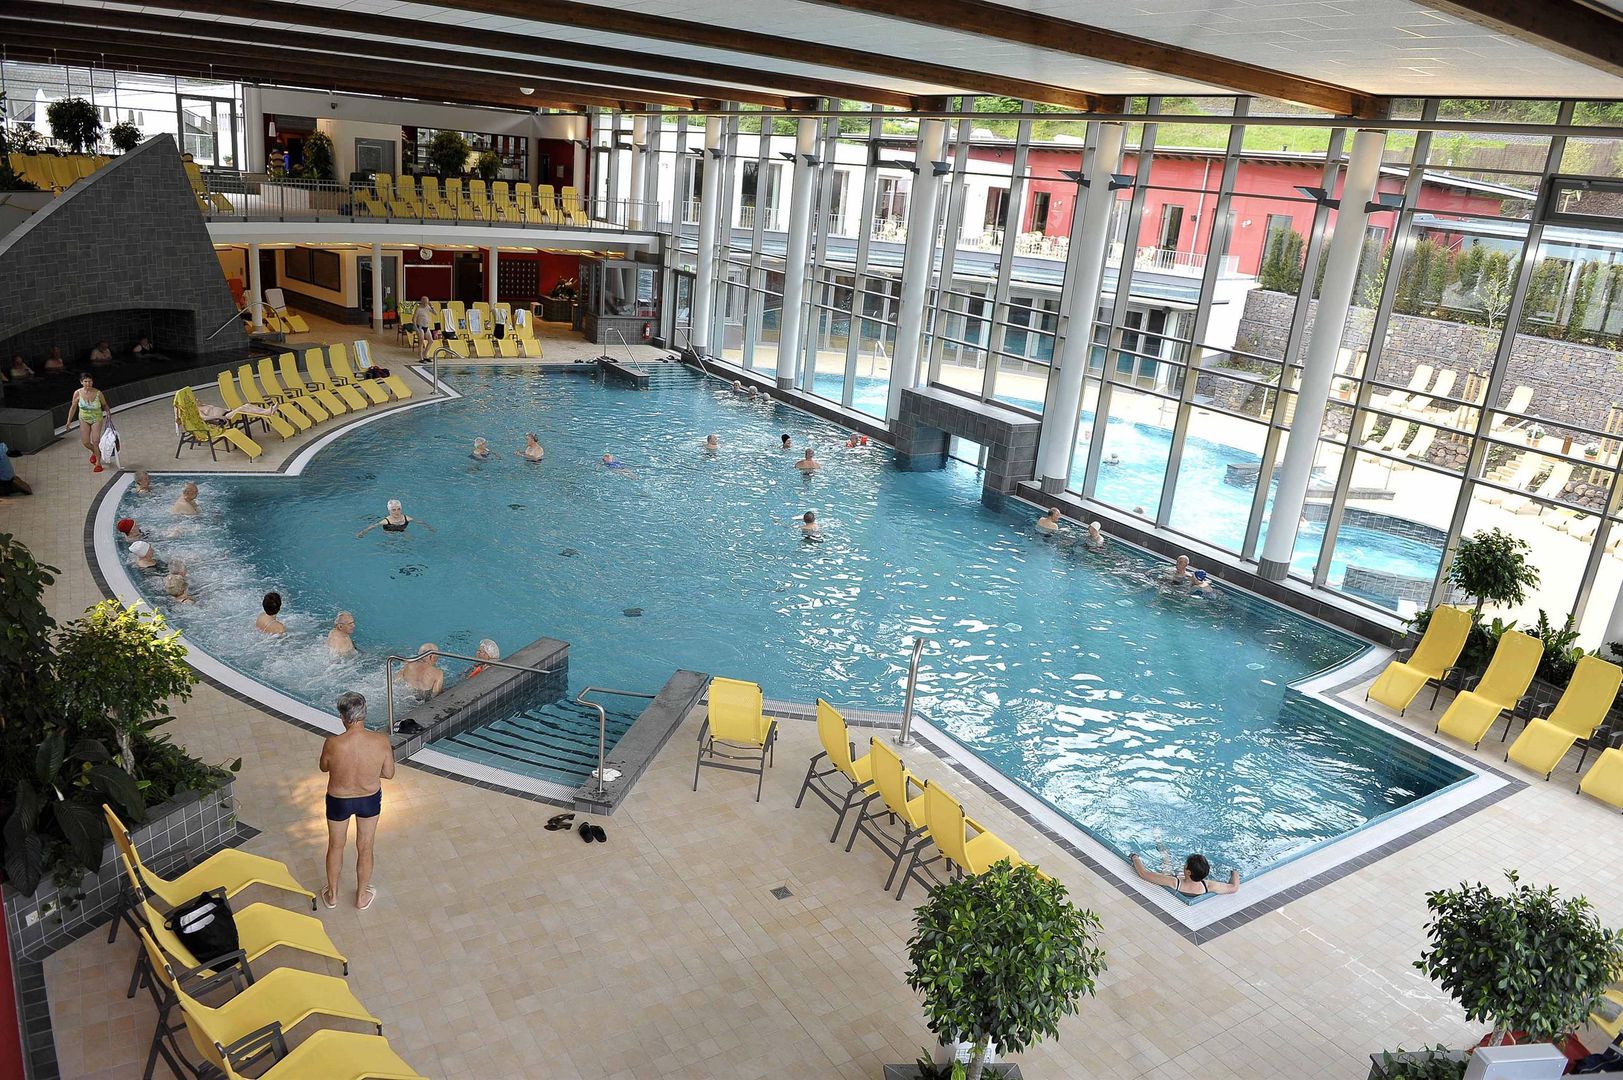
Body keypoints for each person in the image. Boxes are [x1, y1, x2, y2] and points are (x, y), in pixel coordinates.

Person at [319, 691, 395, 911]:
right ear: (365, 713)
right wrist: (368, 773)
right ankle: (361, 897)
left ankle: (332, 895)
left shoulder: (333, 743)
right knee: (365, 846)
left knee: (336, 846)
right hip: (368, 799)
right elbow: (389, 774)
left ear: (342, 717)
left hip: (339, 800)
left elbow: (324, 767)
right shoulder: (381, 741)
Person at [1130, 852, 1239, 896]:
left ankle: (1160, 845)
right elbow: (1234, 887)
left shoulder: (1174, 882)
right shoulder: (1209, 885)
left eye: (1185, 864)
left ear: (1188, 871)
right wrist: (1235, 871)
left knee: (1166, 860)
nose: (1184, 865)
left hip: (1177, 880)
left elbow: (1143, 873)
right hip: (1196, 884)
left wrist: (1135, 857)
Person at [66, 373, 110, 473]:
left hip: (96, 418)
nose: (88, 383)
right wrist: (68, 421)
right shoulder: (77, 393)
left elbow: (104, 404)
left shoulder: (98, 393)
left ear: (92, 382)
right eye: (85, 381)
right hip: (83, 419)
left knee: (95, 441)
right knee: (85, 442)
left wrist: (108, 413)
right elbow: (73, 407)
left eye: (89, 381)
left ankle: (98, 462)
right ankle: (96, 452)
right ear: (81, 382)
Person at [358, 499, 430, 537]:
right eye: (393, 510)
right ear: (389, 511)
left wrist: (430, 528)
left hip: (402, 530)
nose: (397, 512)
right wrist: (362, 533)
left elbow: (420, 522)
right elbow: (372, 527)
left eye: (398, 509)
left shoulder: (406, 518)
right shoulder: (386, 521)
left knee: (409, 538)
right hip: (388, 532)